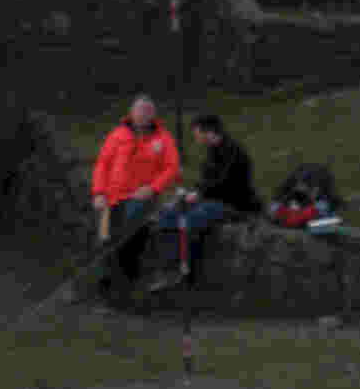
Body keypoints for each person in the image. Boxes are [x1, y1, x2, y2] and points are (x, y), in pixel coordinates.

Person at [147, 113, 263, 292]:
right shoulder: (212, 152)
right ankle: (166, 268)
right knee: (168, 213)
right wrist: (191, 193)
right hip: (212, 200)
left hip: (234, 204)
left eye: (196, 132)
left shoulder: (235, 152)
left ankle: (185, 269)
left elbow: (227, 186)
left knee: (191, 219)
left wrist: (199, 194)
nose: (195, 137)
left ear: (208, 131)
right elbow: (206, 182)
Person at [91, 95, 181, 301]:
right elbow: (102, 164)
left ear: (153, 115)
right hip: (112, 198)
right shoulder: (117, 135)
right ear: (131, 113)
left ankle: (124, 286)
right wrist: (98, 193)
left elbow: (172, 168)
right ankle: (107, 286)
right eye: (139, 111)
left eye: (147, 111)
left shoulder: (163, 138)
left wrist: (152, 188)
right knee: (105, 238)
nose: (143, 115)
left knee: (128, 234)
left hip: (141, 198)